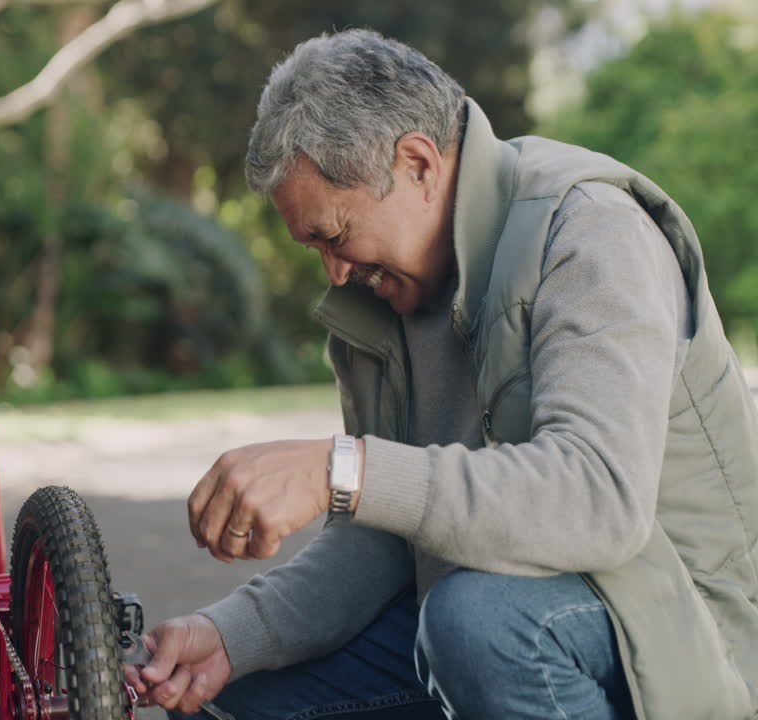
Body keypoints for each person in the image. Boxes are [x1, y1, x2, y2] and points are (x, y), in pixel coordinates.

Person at [124, 29, 758, 720]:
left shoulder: (591, 232)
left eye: (334, 236)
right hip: (514, 614)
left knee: (481, 620)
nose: (335, 272)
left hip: (688, 634)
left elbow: (599, 500)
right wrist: (230, 637)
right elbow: (385, 541)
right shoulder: (379, 303)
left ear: (418, 164)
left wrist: (345, 470)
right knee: (249, 690)